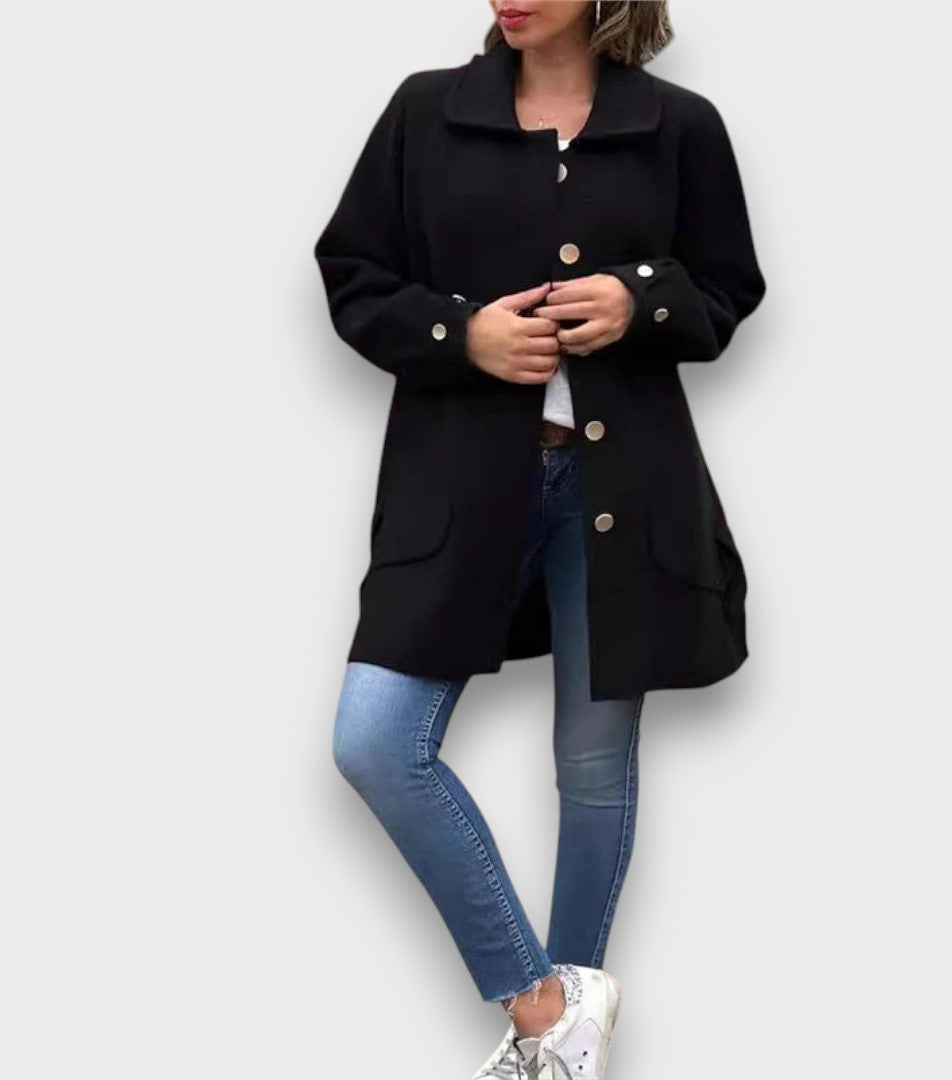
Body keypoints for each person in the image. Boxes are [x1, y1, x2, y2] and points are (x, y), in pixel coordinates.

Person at [313, 2, 767, 1076]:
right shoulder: (426, 112)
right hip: (457, 485)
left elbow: (728, 288)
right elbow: (352, 273)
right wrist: (458, 334)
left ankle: (561, 1055)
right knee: (376, 742)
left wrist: (640, 301)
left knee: (593, 760)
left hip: (624, 486)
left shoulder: (680, 126)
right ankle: (545, 1002)